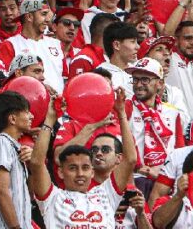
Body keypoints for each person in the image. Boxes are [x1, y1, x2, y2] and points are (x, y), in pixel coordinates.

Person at [28, 85, 137, 229]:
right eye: (73, 168)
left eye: (85, 168)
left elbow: (130, 160)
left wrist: (121, 113)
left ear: (92, 171)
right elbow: (36, 162)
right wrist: (49, 120)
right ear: (61, 172)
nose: (80, 174)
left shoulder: (105, 194)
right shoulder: (53, 198)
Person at [0, 91, 35, 229]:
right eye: (26, 112)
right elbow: (2, 191)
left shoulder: (15, 147)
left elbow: (30, 195)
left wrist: (32, 164)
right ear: (12, 119)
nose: (32, 116)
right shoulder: (1, 144)